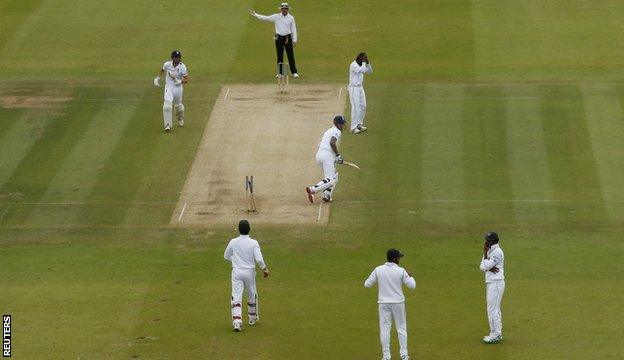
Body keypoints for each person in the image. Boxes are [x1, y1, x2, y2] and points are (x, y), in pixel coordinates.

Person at [365, 249, 416, 360]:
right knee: (401, 328)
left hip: (383, 303)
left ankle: (386, 356)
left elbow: (367, 284)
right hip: (398, 303)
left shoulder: (378, 270)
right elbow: (412, 286)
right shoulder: (401, 271)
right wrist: (410, 275)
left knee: (385, 329)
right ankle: (404, 355)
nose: (399, 259)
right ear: (394, 258)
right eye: (398, 257)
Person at [224, 220, 270, 332]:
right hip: (249, 271)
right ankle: (252, 318)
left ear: (239, 230)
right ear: (249, 229)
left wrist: (235, 260)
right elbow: (259, 259)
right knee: (251, 293)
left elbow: (226, 256)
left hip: (237, 271)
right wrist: (264, 269)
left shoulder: (233, 242)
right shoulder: (254, 243)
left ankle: (237, 322)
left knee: (236, 295)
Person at [250, 3, 299, 78]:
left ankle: (294, 72)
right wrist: (256, 15)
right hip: (279, 37)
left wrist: (294, 39)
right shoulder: (276, 16)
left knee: (290, 55)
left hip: (287, 38)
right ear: (281, 9)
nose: (284, 10)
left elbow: (293, 29)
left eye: (286, 9)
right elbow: (266, 18)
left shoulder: (291, 18)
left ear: (288, 9)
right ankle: (280, 73)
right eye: (283, 9)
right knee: (279, 55)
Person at [305, 115, 346, 203]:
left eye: (343, 124)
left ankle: (326, 195)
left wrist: (333, 158)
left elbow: (321, 144)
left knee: (334, 176)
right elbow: (332, 142)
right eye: (341, 124)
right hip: (326, 156)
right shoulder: (337, 131)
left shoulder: (328, 131)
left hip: (320, 155)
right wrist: (338, 155)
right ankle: (312, 190)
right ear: (336, 124)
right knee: (331, 180)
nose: (342, 126)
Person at [479, 231, 505, 343]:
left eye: (487, 240)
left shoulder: (497, 252)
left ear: (491, 242)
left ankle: (495, 334)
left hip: (496, 283)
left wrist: (485, 256)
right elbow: (482, 266)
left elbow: (486, 266)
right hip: (491, 282)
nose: (485, 242)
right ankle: (497, 333)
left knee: (492, 309)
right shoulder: (490, 251)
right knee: (495, 309)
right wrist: (486, 258)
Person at [153, 50, 189, 132]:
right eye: (176, 59)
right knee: (167, 106)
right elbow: (162, 70)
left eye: (179, 59)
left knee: (178, 107)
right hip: (168, 87)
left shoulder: (182, 66)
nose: (177, 60)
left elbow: (186, 79)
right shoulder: (167, 64)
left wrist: (180, 81)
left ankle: (180, 118)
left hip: (178, 88)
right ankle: (167, 125)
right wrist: (158, 78)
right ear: (172, 58)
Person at [348, 52, 373, 134]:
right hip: (354, 88)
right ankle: (353, 128)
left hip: (360, 88)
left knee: (363, 106)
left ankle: (359, 124)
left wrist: (368, 62)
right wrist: (363, 62)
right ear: (359, 58)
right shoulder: (353, 65)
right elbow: (362, 70)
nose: (364, 60)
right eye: (363, 58)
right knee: (355, 107)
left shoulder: (362, 64)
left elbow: (370, 72)